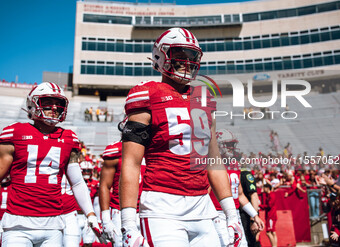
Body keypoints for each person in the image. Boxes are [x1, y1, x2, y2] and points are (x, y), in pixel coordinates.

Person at [119, 28, 241, 247]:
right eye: (180, 56)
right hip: (162, 208)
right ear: (161, 56)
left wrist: (232, 214)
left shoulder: (203, 97)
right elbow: (131, 161)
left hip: (203, 207)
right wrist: (128, 222)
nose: (187, 63)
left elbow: (213, 159)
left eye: (192, 57)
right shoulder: (146, 93)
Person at [0, 82, 103, 247]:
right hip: (18, 225)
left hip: (54, 225)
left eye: (59, 103)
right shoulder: (15, 133)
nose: (55, 107)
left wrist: (90, 214)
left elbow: (77, 182)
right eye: (48, 101)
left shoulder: (69, 138)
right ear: (32, 104)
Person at [210, 129, 264, 247]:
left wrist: (254, 215)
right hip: (218, 214)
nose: (232, 147)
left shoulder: (234, 165)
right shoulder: (211, 165)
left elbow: (240, 195)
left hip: (235, 214)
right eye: (228, 144)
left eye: (233, 144)